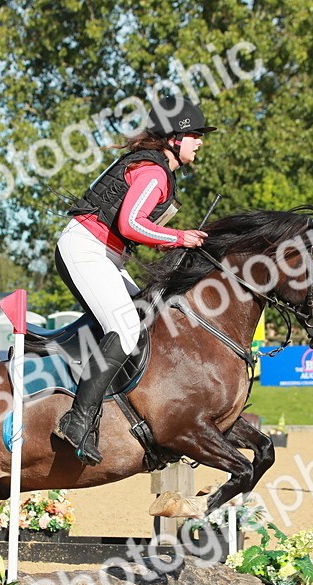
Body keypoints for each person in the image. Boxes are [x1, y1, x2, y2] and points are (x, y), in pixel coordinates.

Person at [53, 95, 216, 466]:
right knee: (126, 327)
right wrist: (178, 237)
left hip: (106, 254)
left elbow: (133, 229)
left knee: (148, 316)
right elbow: (130, 224)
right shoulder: (154, 172)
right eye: (196, 135)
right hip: (85, 250)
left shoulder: (161, 171)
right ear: (176, 137)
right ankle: (77, 420)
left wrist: (164, 241)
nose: (200, 141)